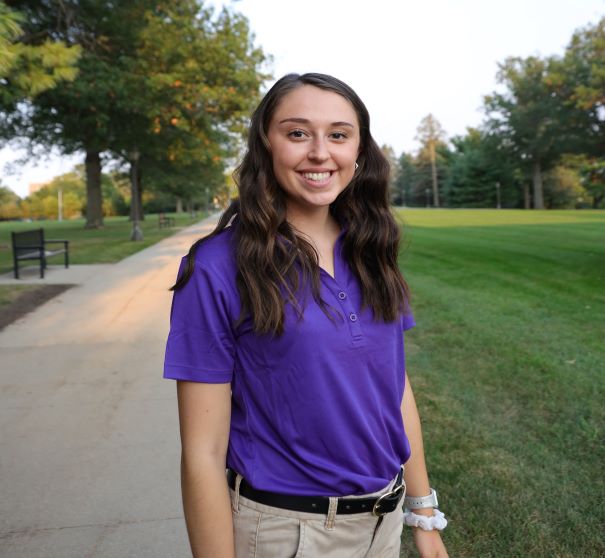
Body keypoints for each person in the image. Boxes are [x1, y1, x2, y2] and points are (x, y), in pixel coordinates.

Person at [163, 72, 449, 558]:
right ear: (266, 144)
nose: (320, 152)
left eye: (339, 134)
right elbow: (203, 454)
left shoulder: (372, 250)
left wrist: (423, 515)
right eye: (298, 133)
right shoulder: (216, 265)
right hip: (286, 534)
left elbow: (394, 388)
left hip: (381, 526)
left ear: (359, 152)